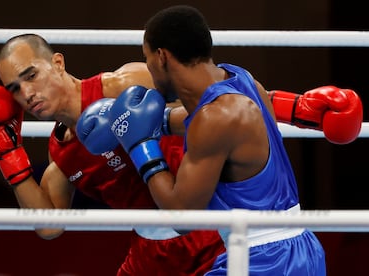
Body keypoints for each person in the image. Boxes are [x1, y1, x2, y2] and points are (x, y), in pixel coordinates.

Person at [0, 32, 361, 275]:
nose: (27, 93)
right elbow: (48, 225)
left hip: (205, 230)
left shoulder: (125, 84)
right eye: (14, 89)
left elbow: (217, 105)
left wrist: (299, 110)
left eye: (30, 76)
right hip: (150, 252)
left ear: (58, 63)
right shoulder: (61, 153)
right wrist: (7, 154)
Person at [102, 5, 363, 276]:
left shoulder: (214, 118)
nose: (149, 69)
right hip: (299, 249)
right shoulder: (240, 79)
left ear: (162, 56)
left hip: (264, 260)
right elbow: (201, 116)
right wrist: (159, 121)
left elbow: (181, 215)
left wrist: (140, 144)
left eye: (146, 58)